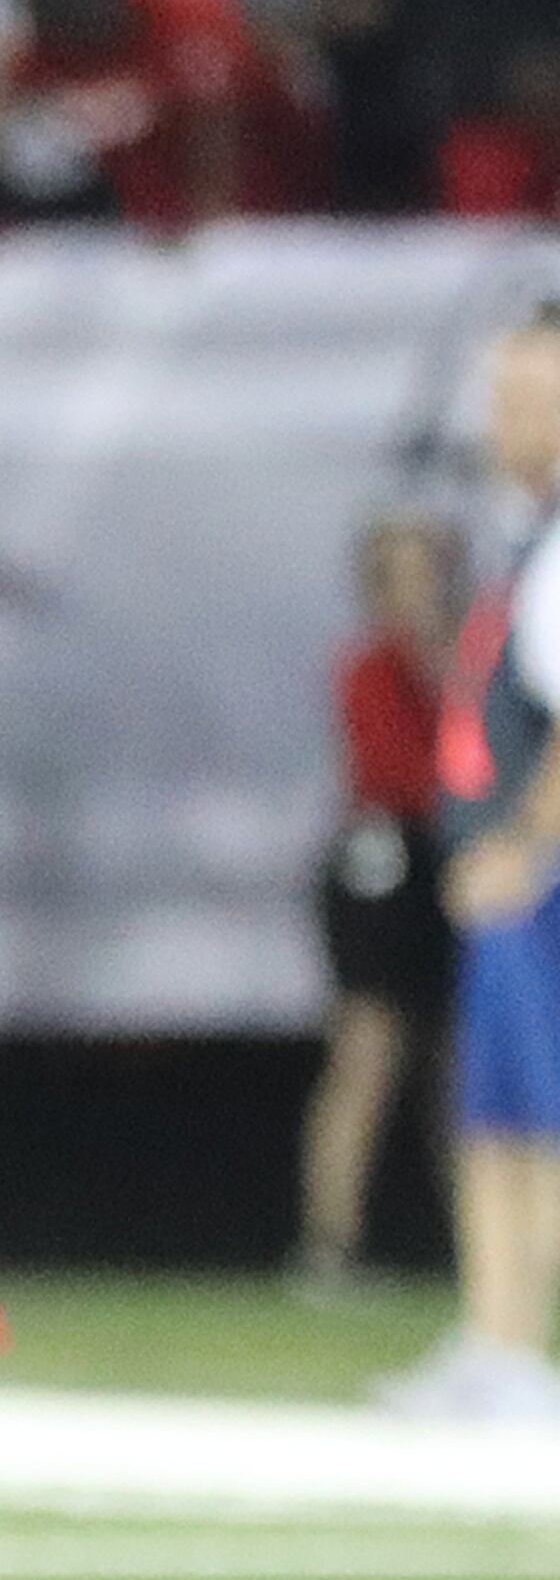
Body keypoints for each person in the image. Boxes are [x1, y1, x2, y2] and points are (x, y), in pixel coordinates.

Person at [392, 312, 560, 1418]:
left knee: (545, 1120)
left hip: (540, 878)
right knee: (492, 1117)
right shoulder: (522, 534)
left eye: (525, 398)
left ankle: (529, 1351)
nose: (501, 421)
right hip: (507, 874)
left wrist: (527, 848)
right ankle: (499, 1343)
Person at [298, 510, 461, 1295]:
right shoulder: (368, 665)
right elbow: (399, 772)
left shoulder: (471, 660)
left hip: (452, 867)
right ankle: (332, 1245)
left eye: (427, 568)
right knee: (366, 1058)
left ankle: (491, 1246)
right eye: (400, 572)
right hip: (384, 869)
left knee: (463, 1067)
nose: (417, 587)